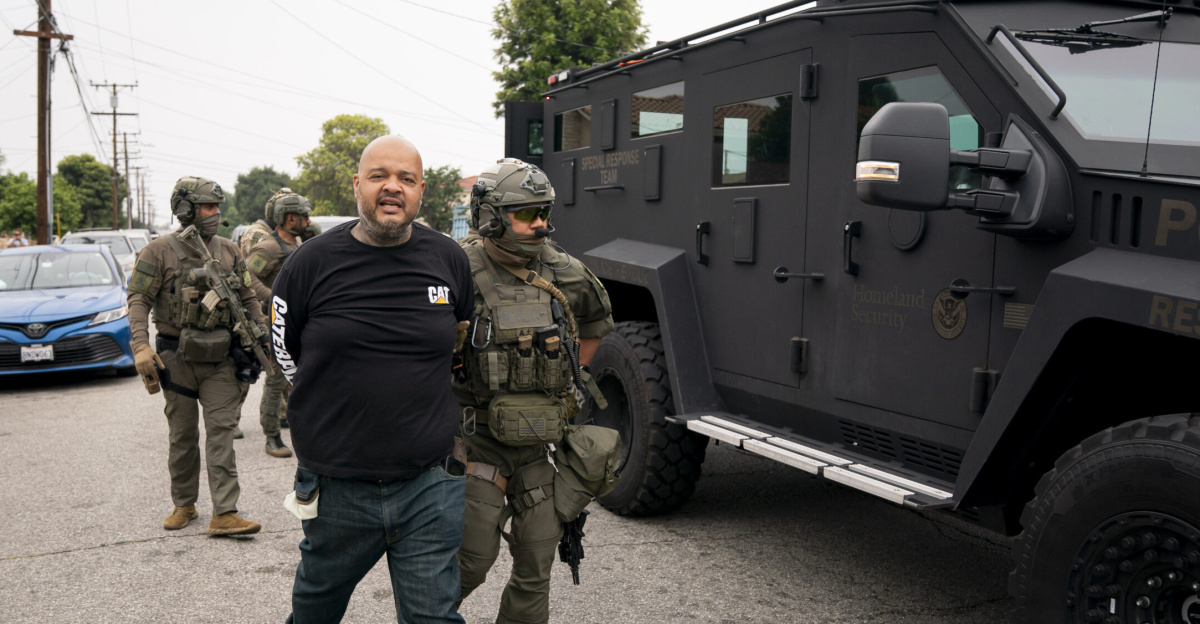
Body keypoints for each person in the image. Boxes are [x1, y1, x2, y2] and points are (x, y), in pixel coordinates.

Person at [271, 135, 472, 624]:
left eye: (406, 178)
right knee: (313, 613)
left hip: (429, 483)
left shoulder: (449, 260)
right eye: (379, 176)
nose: (392, 188)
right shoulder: (308, 264)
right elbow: (283, 352)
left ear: (421, 190)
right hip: (337, 486)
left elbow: (458, 343)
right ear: (357, 184)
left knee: (435, 619)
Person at [453, 159, 614, 624]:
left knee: (536, 562)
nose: (540, 223)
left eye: (543, 211)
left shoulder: (563, 270)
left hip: (537, 447)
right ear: (490, 217)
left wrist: (565, 376)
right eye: (526, 213)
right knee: (473, 561)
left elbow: (596, 322)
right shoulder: (456, 267)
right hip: (475, 440)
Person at [127, 175, 268, 536]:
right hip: (176, 358)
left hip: (221, 356)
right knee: (183, 436)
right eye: (207, 207)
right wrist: (141, 345)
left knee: (221, 431)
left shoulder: (230, 250)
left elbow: (249, 296)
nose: (215, 213)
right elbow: (139, 299)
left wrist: (260, 331)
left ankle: (225, 512)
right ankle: (184, 504)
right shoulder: (157, 251)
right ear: (186, 209)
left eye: (217, 207)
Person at [245, 192, 311, 458]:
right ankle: (271, 436)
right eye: (303, 216)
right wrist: (272, 296)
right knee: (275, 380)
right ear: (289, 217)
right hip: (276, 324)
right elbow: (246, 274)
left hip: (298, 323)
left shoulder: (296, 243)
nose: (308, 220)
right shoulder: (268, 247)